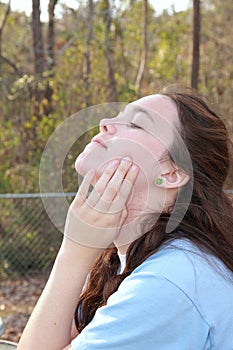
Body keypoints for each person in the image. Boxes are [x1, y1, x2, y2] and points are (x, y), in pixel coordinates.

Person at [18, 85, 233, 350]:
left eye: (135, 123)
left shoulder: (169, 281)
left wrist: (74, 251)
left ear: (171, 174)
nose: (105, 123)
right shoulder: (119, 261)